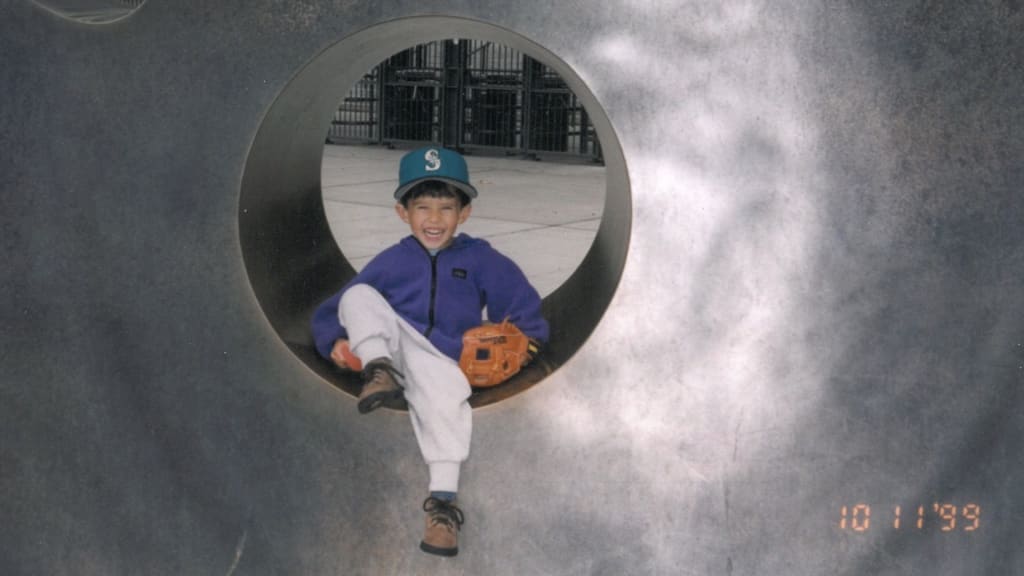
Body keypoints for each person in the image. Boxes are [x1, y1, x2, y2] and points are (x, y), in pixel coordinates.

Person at [311, 146, 549, 557]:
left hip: (442, 360)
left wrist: (526, 343)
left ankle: (442, 507)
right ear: (403, 212)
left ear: (465, 213)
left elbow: (522, 304)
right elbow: (335, 308)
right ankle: (377, 370)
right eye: (422, 207)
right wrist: (333, 341)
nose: (434, 220)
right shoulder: (393, 260)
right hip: (390, 350)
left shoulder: (481, 259)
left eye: (446, 208)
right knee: (361, 295)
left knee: (446, 400)